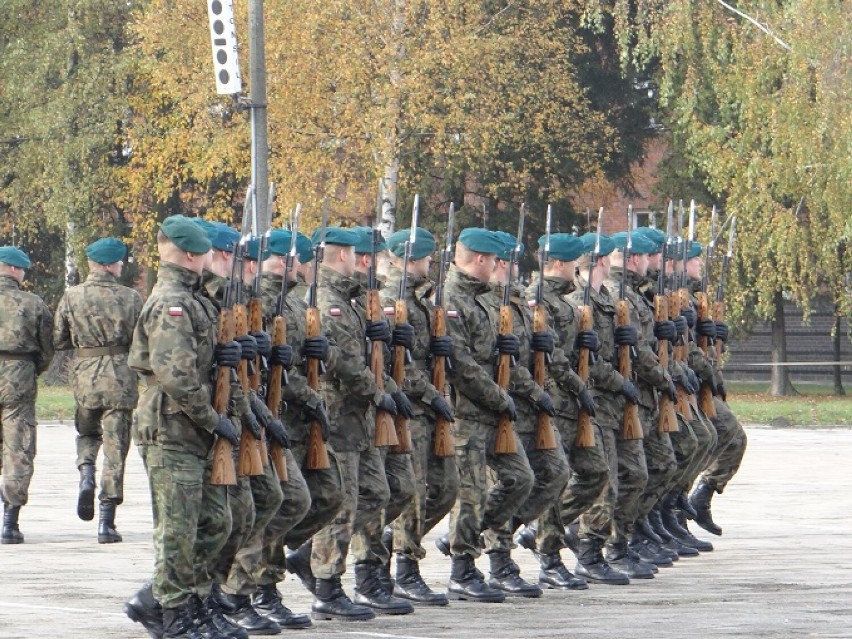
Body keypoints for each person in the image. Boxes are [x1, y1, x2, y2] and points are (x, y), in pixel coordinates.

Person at [127, 215, 239, 639]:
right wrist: (215, 421)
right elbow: (176, 377)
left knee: (214, 522)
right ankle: (173, 616)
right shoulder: (171, 302)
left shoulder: (194, 299)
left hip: (194, 428)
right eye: (207, 250)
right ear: (191, 253)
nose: (213, 257)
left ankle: (173, 599)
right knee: (177, 530)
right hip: (172, 427)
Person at [256, 229, 344, 627]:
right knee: (285, 501)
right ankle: (260, 587)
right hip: (273, 419)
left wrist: (319, 354)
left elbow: (293, 366)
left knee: (327, 495)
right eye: (306, 261)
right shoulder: (261, 300)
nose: (310, 269)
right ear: (288, 260)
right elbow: (273, 371)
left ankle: (279, 557)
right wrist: (309, 398)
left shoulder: (292, 303)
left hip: (294, 419)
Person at [441, 228, 534, 603]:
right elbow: (460, 365)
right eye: (495, 260)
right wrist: (499, 396)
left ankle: (465, 538)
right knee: (470, 493)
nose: (499, 266)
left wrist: (505, 350)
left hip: (492, 410)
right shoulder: (450, 298)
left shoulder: (483, 298)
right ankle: (462, 569)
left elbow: (485, 353)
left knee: (520, 478)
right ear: (480, 259)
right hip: (466, 412)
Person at [308, 227, 396, 621]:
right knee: (343, 504)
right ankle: (327, 584)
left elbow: (364, 355)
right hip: (340, 412)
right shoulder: (329, 302)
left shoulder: (353, 301)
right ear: (344, 257)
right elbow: (346, 363)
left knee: (375, 494)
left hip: (358, 415)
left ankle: (315, 552)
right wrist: (382, 394)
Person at [477, 231, 569, 597]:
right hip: (494, 407)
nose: (514, 269)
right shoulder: (485, 304)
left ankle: (494, 535)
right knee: (502, 482)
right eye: (508, 262)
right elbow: (489, 364)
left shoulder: (517, 303)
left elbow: (525, 359)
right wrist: (532, 391)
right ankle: (494, 558)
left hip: (526, 406)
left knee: (548, 475)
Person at [516, 233, 606, 590]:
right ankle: (549, 554)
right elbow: (549, 360)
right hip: (553, 400)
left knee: (594, 472)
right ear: (558, 264)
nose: (575, 270)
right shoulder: (539, 299)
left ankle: (540, 532)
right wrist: (578, 387)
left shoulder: (565, 300)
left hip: (572, 401)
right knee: (556, 475)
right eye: (571, 264)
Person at [381, 227, 459, 606]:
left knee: (446, 490)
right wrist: (431, 394)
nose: (430, 264)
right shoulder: (392, 300)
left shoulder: (423, 300)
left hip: (431, 407)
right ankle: (406, 568)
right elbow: (399, 367)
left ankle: (393, 542)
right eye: (426, 258)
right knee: (412, 492)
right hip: (409, 409)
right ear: (410, 258)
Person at [567, 233, 649, 584]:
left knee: (635, 474)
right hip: (593, 402)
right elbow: (584, 361)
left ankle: (613, 543)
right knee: (603, 482)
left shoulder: (607, 302)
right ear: (600, 262)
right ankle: (588, 551)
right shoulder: (575, 303)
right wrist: (621, 380)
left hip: (614, 403)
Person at [53, 237, 142, 544]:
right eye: (119, 262)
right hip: (120, 377)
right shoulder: (131, 298)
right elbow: (142, 341)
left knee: (88, 433)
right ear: (109, 265)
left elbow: (59, 338)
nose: (121, 266)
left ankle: (86, 471)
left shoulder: (72, 296)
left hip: (85, 377)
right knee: (117, 448)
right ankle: (106, 520)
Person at [607, 231, 679, 569]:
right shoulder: (615, 294)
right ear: (635, 258)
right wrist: (666, 380)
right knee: (627, 473)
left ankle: (635, 530)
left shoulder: (637, 294)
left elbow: (647, 345)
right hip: (622, 397)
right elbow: (636, 353)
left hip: (640, 398)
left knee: (654, 466)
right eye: (651, 257)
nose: (656, 263)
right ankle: (610, 539)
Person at [0, 246, 54, 544]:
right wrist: (32, 369)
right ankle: (10, 521)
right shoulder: (33, 303)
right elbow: (47, 348)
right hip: (18, 374)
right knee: (18, 445)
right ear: (17, 270)